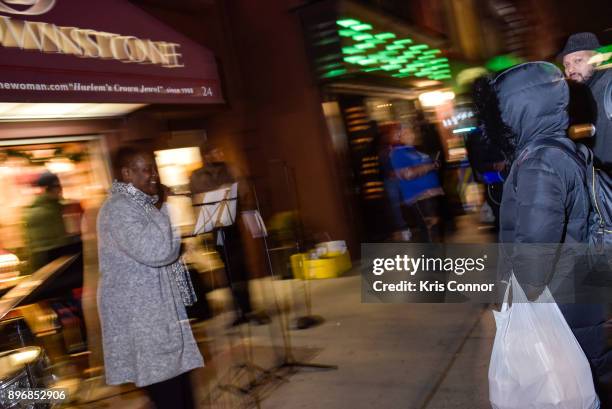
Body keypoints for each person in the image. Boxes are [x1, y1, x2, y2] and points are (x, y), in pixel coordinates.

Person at [494, 61, 612, 406]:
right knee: (586, 385)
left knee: (571, 389)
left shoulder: (540, 162)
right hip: (580, 295)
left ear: (519, 108)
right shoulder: (561, 148)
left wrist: (510, 294)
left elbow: (534, 258)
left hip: (561, 306)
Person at [97, 147, 203, 409]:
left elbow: (160, 248)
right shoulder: (119, 209)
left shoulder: (137, 204)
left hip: (153, 309)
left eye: (154, 169)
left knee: (178, 384)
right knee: (168, 388)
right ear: (127, 173)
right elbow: (157, 252)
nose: (154, 175)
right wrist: (162, 206)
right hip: (141, 314)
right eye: (146, 170)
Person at [190, 146, 269, 326]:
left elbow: (244, 190)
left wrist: (238, 195)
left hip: (233, 224)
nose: (220, 155)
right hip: (216, 228)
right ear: (206, 155)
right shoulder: (198, 175)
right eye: (215, 152)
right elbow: (196, 198)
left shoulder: (230, 169)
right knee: (227, 268)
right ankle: (237, 310)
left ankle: (248, 308)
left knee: (240, 265)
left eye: (220, 152)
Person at [559, 32, 612, 166]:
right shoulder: (580, 96)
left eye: (578, 60)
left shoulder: (609, 86)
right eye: (566, 64)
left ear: (597, 60)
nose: (570, 69)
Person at [387, 124, 444, 242]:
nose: (412, 135)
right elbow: (408, 174)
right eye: (407, 133)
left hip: (430, 194)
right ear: (399, 137)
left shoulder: (413, 150)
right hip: (419, 196)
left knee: (433, 230)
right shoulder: (398, 153)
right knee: (430, 229)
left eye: (412, 132)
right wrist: (431, 166)